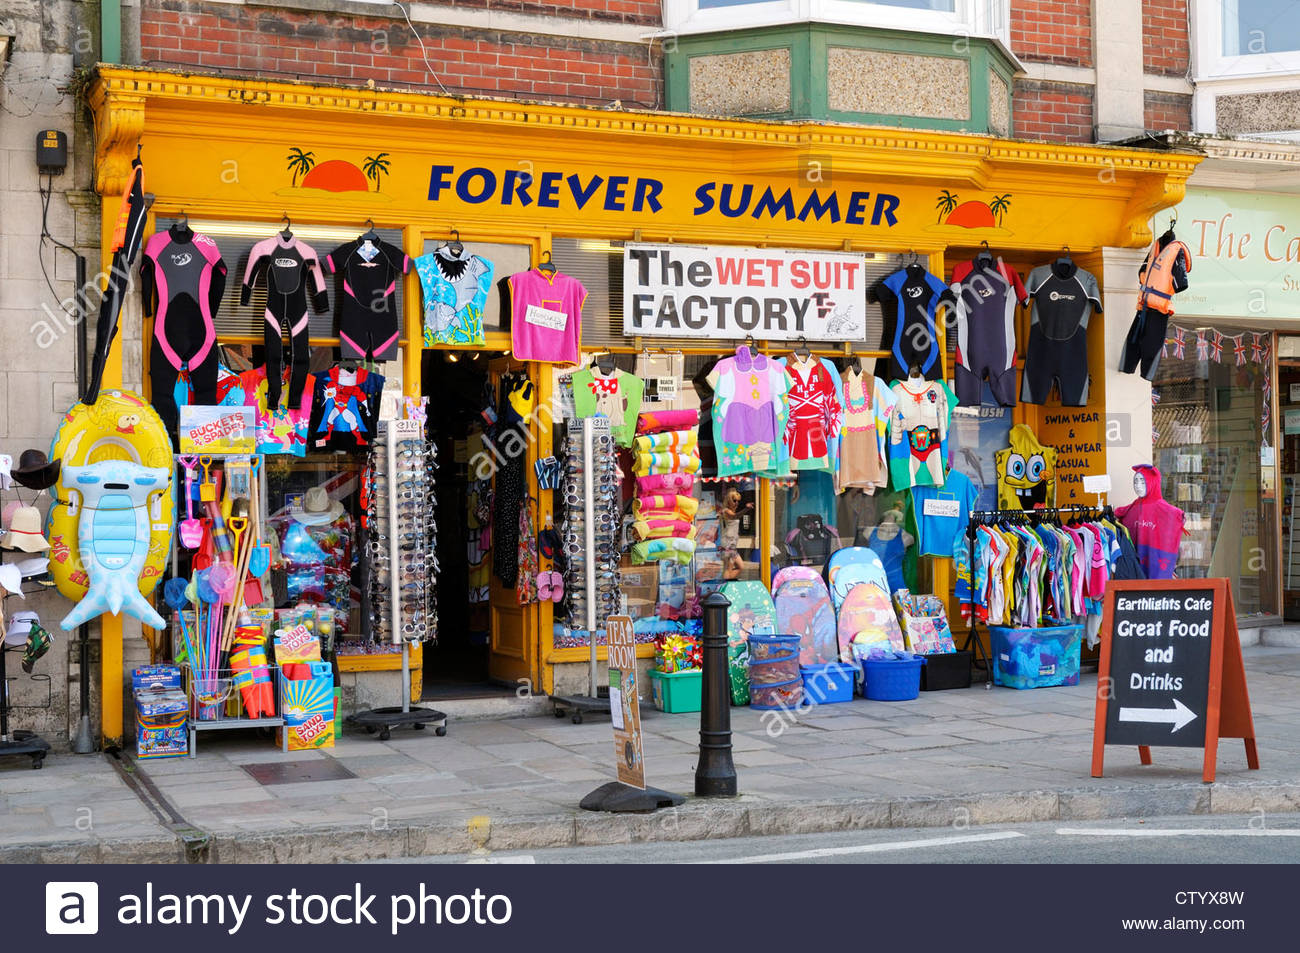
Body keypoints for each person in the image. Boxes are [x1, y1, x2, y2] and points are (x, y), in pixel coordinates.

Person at [719, 488, 751, 580]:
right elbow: (735, 516)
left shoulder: (729, 511)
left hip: (731, 544)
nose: (736, 503)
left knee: (740, 566)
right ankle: (726, 583)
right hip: (728, 544)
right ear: (729, 500)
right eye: (734, 500)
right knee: (728, 568)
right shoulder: (726, 511)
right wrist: (746, 509)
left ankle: (727, 580)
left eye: (738, 501)